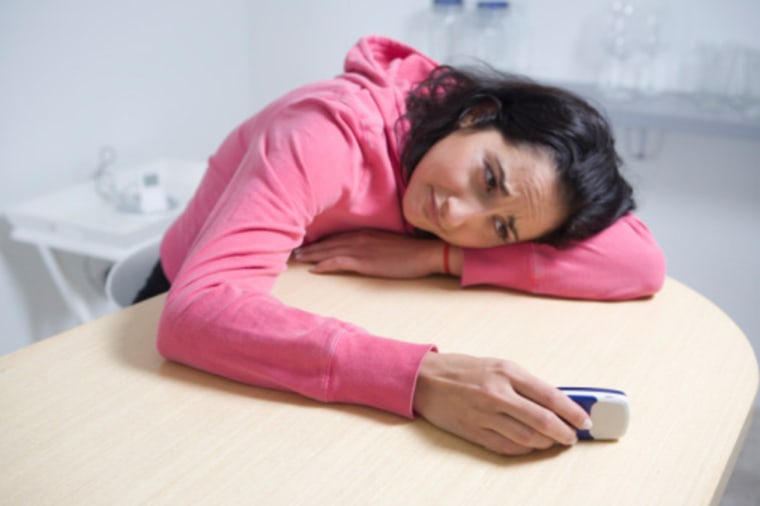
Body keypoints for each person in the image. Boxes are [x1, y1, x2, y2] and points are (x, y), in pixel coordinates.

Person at [149, 35, 665, 456]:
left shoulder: (466, 155)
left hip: (295, 298)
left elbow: (638, 262)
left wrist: (435, 256)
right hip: (174, 309)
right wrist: (421, 378)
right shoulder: (325, 133)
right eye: (488, 180)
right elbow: (196, 311)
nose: (459, 217)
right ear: (477, 114)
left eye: (502, 229)